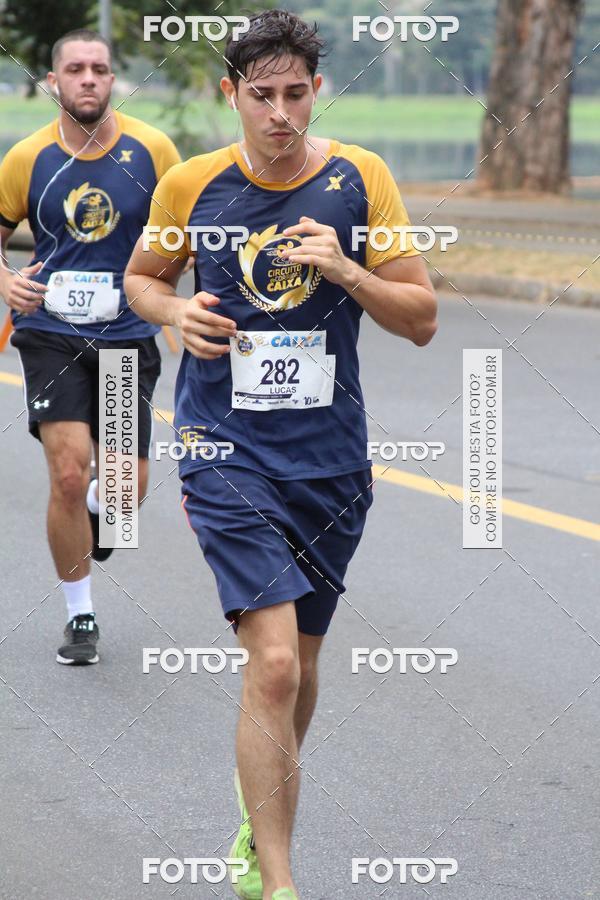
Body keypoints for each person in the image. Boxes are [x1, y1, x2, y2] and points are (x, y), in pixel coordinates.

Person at [124, 9, 437, 898]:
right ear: (232, 94)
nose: (280, 114)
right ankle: (278, 879)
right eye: (261, 95)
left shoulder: (360, 180)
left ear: (317, 92)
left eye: (296, 94)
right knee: (270, 664)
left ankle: (257, 802)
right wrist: (173, 311)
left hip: (332, 463)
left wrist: (346, 270)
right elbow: (142, 277)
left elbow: (420, 320)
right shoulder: (191, 185)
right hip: (224, 450)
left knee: (299, 667)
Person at [0, 29, 180, 665]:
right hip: (50, 335)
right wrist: (6, 279)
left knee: (124, 495)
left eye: (99, 69)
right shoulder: (27, 158)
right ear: (53, 82)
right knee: (69, 470)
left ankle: (107, 513)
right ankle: (80, 616)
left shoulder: (153, 150)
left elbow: (179, 235)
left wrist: (172, 300)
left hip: (128, 335)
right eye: (74, 69)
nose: (87, 79)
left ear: (112, 80)